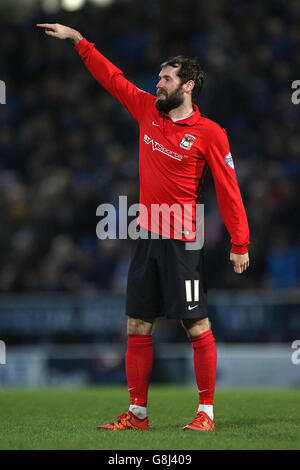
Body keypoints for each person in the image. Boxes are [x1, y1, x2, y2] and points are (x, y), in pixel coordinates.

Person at [37, 23, 250, 432]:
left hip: (183, 239)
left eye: (165, 78)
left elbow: (229, 191)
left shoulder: (209, 134)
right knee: (137, 324)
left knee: (196, 324)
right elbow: (112, 78)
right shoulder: (147, 110)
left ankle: (205, 413)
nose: (157, 84)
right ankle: (137, 415)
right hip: (146, 234)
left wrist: (239, 242)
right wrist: (80, 41)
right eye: (157, 78)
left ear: (187, 85)